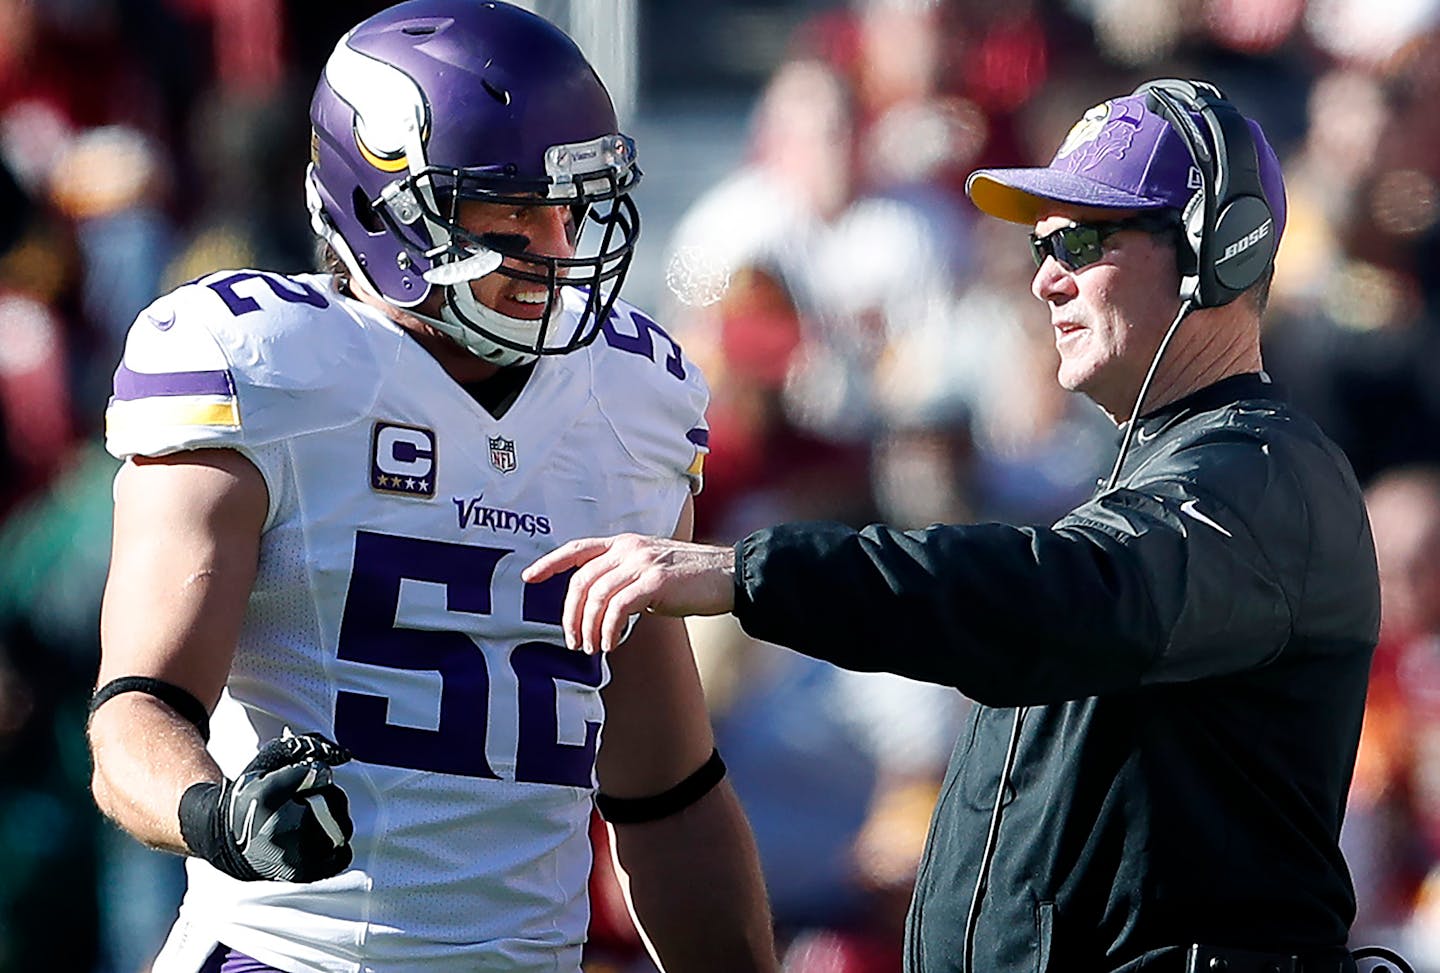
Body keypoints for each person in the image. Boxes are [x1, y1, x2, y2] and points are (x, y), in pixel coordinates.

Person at [526, 80, 1384, 973]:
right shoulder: (1178, 479)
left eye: (1085, 240)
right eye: (1041, 243)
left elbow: (1063, 595)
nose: (1046, 276)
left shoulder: (1266, 476)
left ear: (1218, 251)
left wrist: (747, 574)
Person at [85, 3, 776, 971]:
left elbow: (666, 790)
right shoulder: (259, 362)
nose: (557, 242)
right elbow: (132, 718)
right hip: (291, 955)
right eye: (510, 207)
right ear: (387, 207)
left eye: (571, 204)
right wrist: (221, 814)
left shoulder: (632, 398)